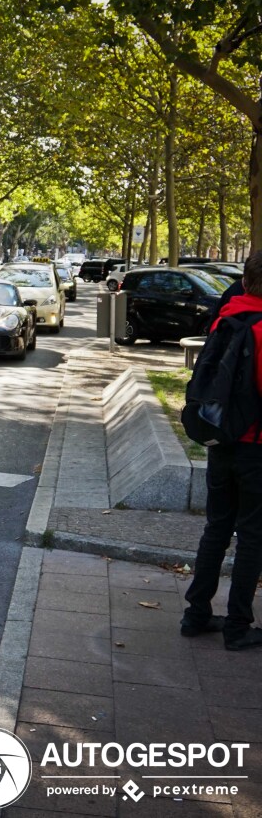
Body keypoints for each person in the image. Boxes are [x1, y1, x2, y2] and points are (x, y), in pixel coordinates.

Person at [183, 251, 262, 651]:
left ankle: (195, 614)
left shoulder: (224, 316)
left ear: (244, 281)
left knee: (216, 527)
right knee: (252, 536)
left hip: (220, 442)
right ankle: (237, 625)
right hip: (256, 448)